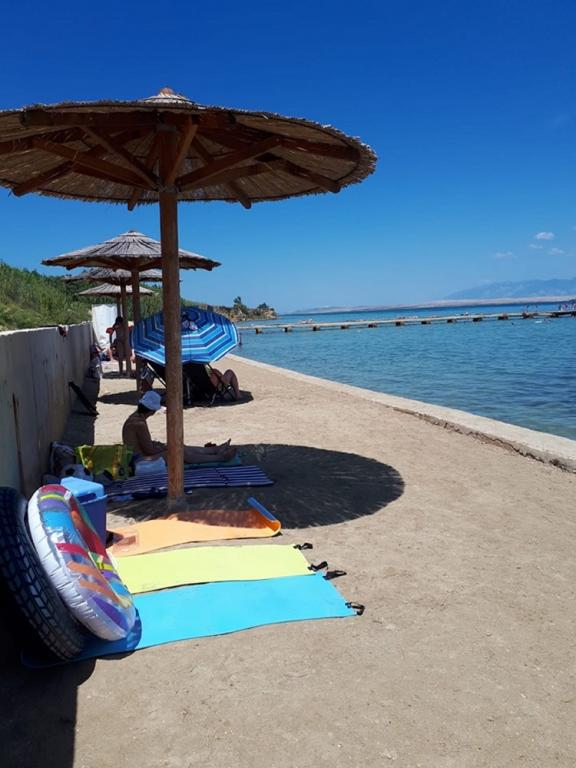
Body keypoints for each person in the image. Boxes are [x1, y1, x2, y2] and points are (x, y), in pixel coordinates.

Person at [122, 390, 236, 465]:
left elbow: (143, 445)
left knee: (178, 447)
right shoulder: (139, 424)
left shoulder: (135, 418)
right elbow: (149, 450)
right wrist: (165, 448)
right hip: (139, 461)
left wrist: (162, 446)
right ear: (152, 411)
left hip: (138, 457)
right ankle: (219, 457)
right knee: (179, 452)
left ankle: (214, 450)